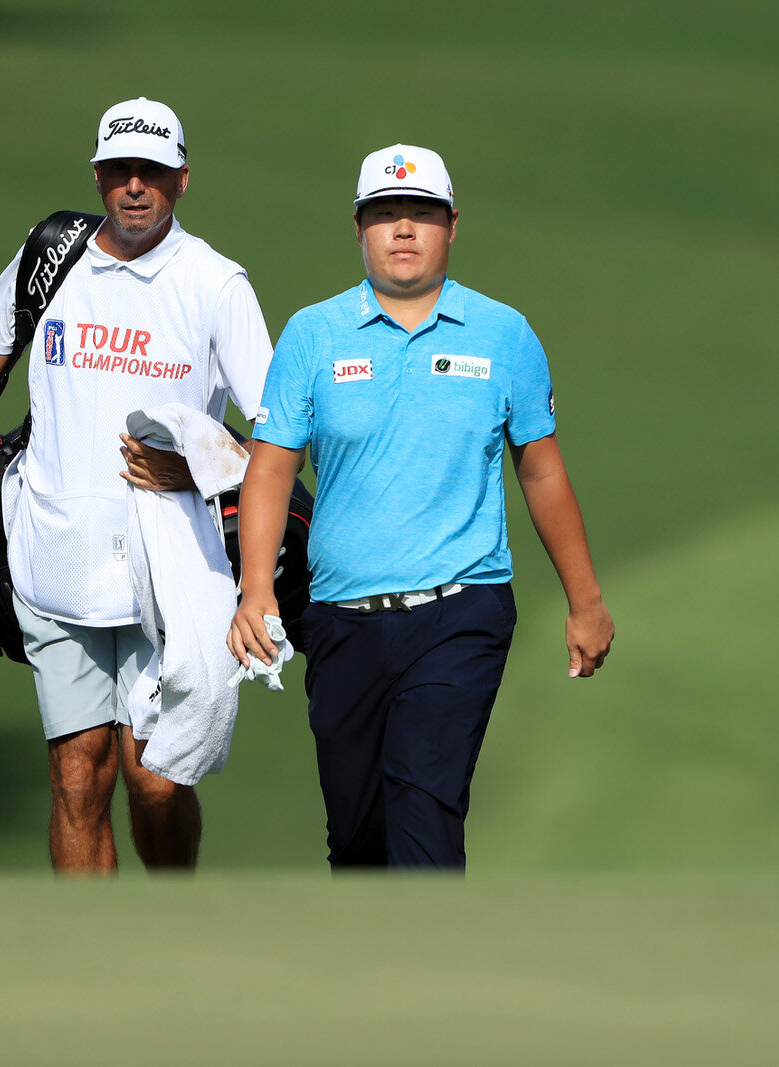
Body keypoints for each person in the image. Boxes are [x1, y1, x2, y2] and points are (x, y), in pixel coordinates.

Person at [0, 98, 272, 873]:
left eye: (152, 172)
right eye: (119, 170)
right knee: (79, 774)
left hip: (171, 573)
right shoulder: (52, 256)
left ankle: (173, 931)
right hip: (55, 563)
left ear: (184, 179)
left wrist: (200, 465)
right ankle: (93, 958)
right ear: (97, 174)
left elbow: (282, 439)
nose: (135, 186)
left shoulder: (216, 284)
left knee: (154, 778)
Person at [229, 143, 614, 871]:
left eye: (422, 214)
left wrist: (585, 601)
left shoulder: (504, 335)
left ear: (452, 226)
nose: (403, 229)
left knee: (424, 807)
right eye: (385, 214)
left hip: (459, 611)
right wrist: (255, 591)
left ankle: (431, 978)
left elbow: (540, 471)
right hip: (341, 619)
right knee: (358, 840)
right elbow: (271, 468)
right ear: (359, 228)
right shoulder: (314, 334)